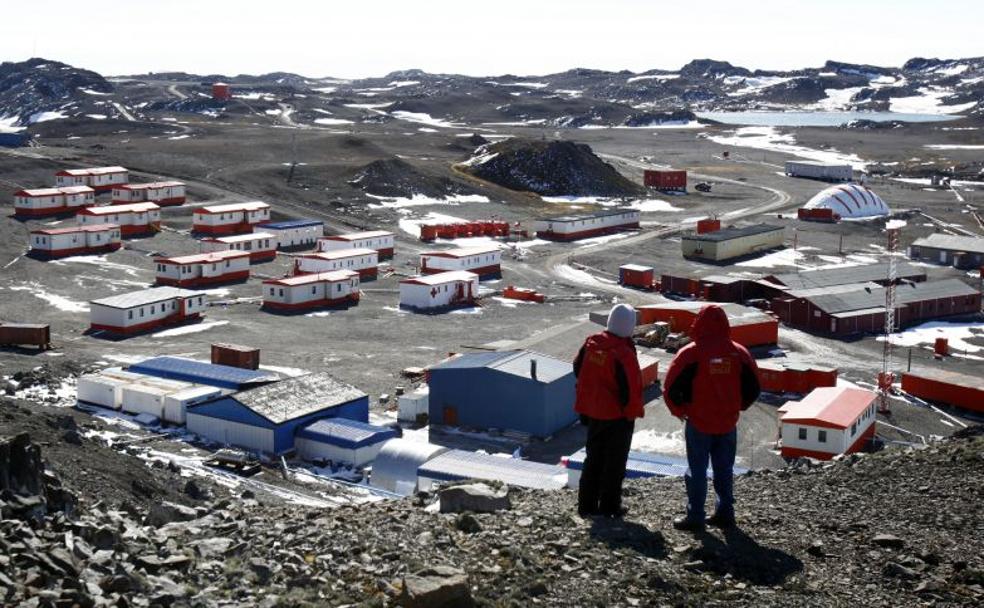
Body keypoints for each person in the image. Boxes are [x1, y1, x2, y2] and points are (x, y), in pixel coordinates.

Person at [662, 304, 760, 531]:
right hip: (727, 423)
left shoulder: (691, 353)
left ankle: (696, 515)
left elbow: (671, 388)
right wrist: (737, 407)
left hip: (698, 423)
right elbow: (754, 387)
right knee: (724, 469)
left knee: (697, 470)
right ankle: (725, 513)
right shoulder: (739, 353)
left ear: (700, 323)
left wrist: (681, 411)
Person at [573, 303, 644, 518]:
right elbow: (631, 390)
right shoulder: (623, 353)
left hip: (592, 412)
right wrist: (632, 414)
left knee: (593, 458)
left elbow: (577, 369)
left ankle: (586, 506)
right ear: (629, 326)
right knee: (614, 462)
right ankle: (609, 506)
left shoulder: (591, 344)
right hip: (617, 418)